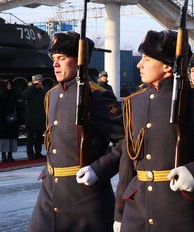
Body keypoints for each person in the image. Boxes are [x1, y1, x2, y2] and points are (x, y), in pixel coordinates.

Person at [114, 30, 194, 232]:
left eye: (146, 59)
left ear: (167, 66)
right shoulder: (133, 102)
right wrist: (119, 213)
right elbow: (128, 161)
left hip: (178, 209)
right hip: (136, 210)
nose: (139, 64)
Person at [29, 31, 124, 232]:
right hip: (50, 193)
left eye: (62, 58)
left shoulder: (97, 96)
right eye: (54, 59)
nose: (55, 64)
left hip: (84, 198)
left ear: (80, 61)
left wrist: (99, 169)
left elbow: (126, 141)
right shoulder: (51, 95)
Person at [22, 74, 46, 160]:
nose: (39, 83)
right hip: (31, 118)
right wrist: (33, 86)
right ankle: (30, 153)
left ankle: (38, 152)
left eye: (40, 82)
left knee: (39, 137)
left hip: (40, 117)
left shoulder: (42, 91)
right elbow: (24, 95)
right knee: (30, 138)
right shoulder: (30, 90)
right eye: (38, 82)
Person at [0, 79, 19, 163]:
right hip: (4, 119)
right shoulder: (1, 96)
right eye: (7, 84)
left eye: (10, 84)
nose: (9, 86)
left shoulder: (13, 95)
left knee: (12, 137)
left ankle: (10, 154)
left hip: (12, 118)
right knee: (4, 137)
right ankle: (3, 155)